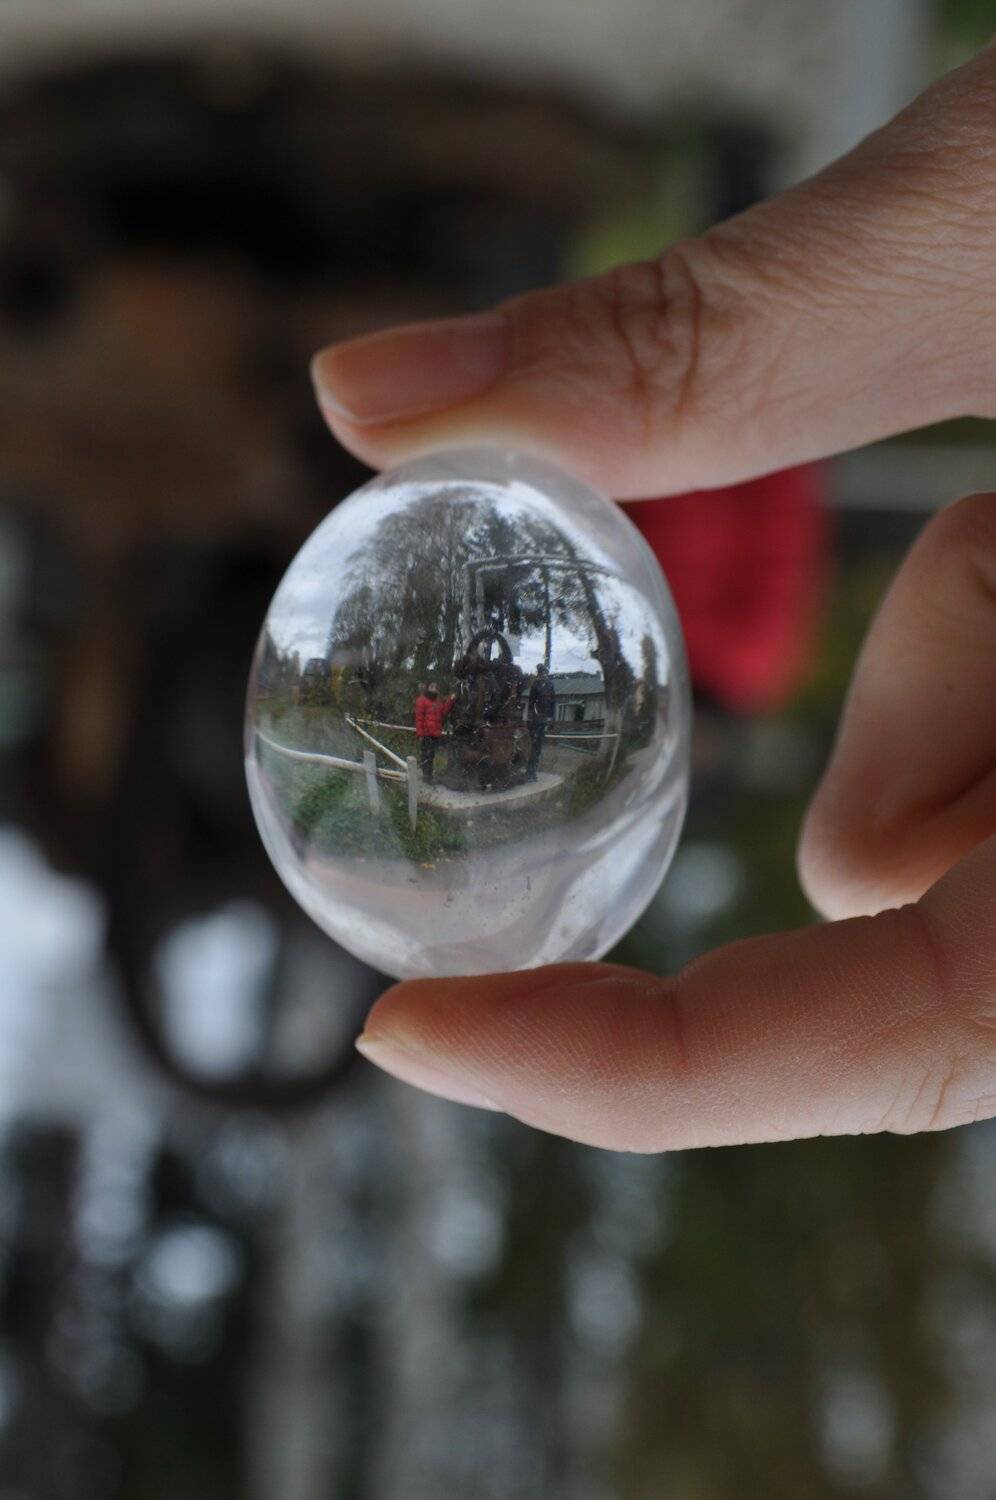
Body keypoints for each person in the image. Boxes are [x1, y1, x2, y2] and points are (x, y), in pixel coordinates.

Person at [311, 43, 996, 1150]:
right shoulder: (743, 658)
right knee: (735, 286)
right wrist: (743, 438)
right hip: (685, 452)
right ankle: (736, 162)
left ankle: (710, 176)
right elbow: (771, 541)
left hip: (613, 474)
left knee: (670, 308)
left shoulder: (645, 679)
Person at [414, 681, 453, 783]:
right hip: (426, 734)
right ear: (427, 688)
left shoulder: (438, 702)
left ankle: (429, 776)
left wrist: (450, 700)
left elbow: (444, 711)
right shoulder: (421, 701)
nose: (434, 689)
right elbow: (419, 719)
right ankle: (427, 776)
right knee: (427, 755)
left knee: (431, 755)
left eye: (436, 687)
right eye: (432, 687)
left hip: (435, 734)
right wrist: (420, 734)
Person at [525, 664, 556, 781]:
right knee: (532, 746)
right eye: (541, 673)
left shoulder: (550, 686)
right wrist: (530, 718)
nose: (544, 675)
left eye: (545, 673)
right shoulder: (535, 686)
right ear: (538, 674)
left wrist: (552, 719)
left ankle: (533, 772)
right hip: (535, 720)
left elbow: (553, 703)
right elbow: (531, 703)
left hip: (544, 720)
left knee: (538, 747)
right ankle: (529, 772)